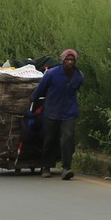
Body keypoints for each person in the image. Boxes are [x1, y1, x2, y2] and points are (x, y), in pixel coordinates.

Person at [31, 49, 85, 180]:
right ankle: (46, 167)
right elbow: (40, 89)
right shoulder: (51, 74)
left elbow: (75, 90)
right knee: (50, 138)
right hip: (52, 111)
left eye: (72, 60)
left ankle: (66, 168)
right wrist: (33, 101)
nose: (70, 62)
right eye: (67, 59)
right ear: (62, 60)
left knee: (68, 138)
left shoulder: (79, 76)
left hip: (69, 112)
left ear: (75, 61)